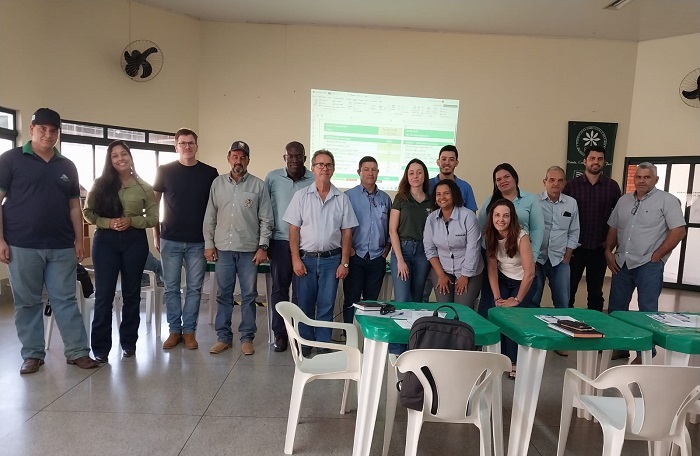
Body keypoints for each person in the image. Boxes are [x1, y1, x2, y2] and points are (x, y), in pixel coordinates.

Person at [0, 108, 99, 374]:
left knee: (65, 299)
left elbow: (74, 208)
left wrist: (79, 240)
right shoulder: (10, 160)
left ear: (58, 133)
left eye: (53, 130)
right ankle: (32, 354)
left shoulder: (66, 165)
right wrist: (0, 239)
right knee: (27, 301)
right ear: (31, 129)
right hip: (21, 244)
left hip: (61, 245)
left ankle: (77, 352)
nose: (48, 134)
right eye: (42, 128)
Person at [84, 140, 158, 363]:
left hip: (134, 242)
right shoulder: (100, 184)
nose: (120, 159)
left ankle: (128, 344)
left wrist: (131, 220)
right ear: (110, 160)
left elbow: (154, 218)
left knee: (132, 295)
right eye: (115, 156)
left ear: (130, 156)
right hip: (105, 242)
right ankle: (100, 349)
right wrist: (108, 223)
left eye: (123, 154)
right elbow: (88, 212)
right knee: (104, 296)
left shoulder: (144, 186)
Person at [605, 162, 686, 363]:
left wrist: (658, 255)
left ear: (655, 179)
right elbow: (614, 228)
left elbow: (679, 230)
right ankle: (620, 347)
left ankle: (646, 353)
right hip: (622, 262)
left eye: (647, 177)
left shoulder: (667, 200)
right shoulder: (624, 201)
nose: (642, 180)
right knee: (617, 308)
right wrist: (608, 251)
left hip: (648, 264)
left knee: (647, 311)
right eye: (639, 177)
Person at [283, 150, 358, 357]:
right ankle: (305, 344)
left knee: (326, 304)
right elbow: (293, 231)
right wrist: (295, 260)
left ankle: (324, 344)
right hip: (305, 260)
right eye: (320, 165)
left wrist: (344, 263)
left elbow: (347, 232)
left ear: (333, 169)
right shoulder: (301, 196)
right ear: (313, 168)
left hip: (331, 261)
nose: (324, 168)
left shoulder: (341, 199)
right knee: (305, 305)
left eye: (328, 165)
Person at [204, 141, 273, 356]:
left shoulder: (258, 186)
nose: (239, 161)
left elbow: (266, 219)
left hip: (249, 251)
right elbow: (210, 217)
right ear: (228, 158)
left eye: (243, 157)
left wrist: (263, 247)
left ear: (248, 161)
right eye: (235, 156)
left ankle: (247, 338)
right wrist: (209, 244)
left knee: (249, 295)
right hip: (223, 249)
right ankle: (223, 337)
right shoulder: (217, 184)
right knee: (224, 295)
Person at [153, 128, 218, 350]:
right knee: (171, 288)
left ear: (196, 146)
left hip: (198, 241)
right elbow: (155, 204)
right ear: (176, 146)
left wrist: (211, 240)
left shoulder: (210, 173)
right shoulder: (164, 171)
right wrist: (156, 234)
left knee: (194, 288)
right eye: (183, 143)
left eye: (191, 143)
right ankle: (174, 331)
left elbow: (214, 208)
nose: (187, 146)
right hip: (169, 239)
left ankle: (189, 331)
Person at [264, 141, 314, 352]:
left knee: (301, 292)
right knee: (279, 289)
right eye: (289, 156)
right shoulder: (272, 178)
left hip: (306, 244)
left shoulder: (313, 178)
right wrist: (264, 242)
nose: (294, 159)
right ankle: (280, 334)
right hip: (279, 241)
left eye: (298, 156)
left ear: (304, 157)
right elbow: (264, 211)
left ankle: (298, 334)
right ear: (284, 158)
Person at [477, 163, 543, 317]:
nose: (503, 181)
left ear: (515, 178)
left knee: (515, 315)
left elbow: (538, 229)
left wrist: (532, 257)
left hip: (523, 262)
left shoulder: (530, 200)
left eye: (507, 176)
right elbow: (482, 228)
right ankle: (490, 342)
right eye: (498, 179)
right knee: (492, 307)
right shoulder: (490, 202)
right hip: (500, 266)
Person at [562, 146, 621, 311]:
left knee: (595, 293)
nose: (596, 162)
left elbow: (617, 220)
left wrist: (610, 246)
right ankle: (566, 324)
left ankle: (596, 327)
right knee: (569, 291)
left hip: (599, 249)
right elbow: (563, 217)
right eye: (592, 158)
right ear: (585, 161)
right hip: (575, 249)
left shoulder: (612, 187)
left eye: (599, 159)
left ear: (604, 162)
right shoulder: (571, 187)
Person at [484, 199, 536, 379]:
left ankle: (514, 361)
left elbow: (530, 272)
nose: (501, 219)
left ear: (511, 217)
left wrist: (517, 299)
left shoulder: (522, 236)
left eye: (506, 216)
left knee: (514, 320)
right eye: (497, 215)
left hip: (523, 282)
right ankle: (502, 359)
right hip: (504, 279)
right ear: (492, 217)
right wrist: (497, 296)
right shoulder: (490, 235)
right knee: (498, 315)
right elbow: (492, 268)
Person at [342, 156, 392, 323]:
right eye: (366, 169)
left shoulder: (385, 199)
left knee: (372, 302)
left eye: (374, 169)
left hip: (377, 258)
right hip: (355, 256)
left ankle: (367, 338)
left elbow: (391, 229)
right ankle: (349, 336)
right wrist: (349, 251)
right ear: (359, 172)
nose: (370, 173)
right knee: (352, 299)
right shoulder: (347, 196)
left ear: (378, 172)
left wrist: (385, 252)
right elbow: (340, 227)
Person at [423, 179, 483, 308]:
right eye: (438, 194)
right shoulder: (431, 219)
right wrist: (441, 275)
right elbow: (430, 250)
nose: (442, 197)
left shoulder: (468, 216)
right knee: (445, 309)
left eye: (446, 193)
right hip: (443, 269)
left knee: (462, 310)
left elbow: (473, 248)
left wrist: (465, 276)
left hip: (469, 270)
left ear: (454, 195)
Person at [533, 166, 580, 309]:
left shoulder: (571, 203)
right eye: (551, 180)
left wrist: (567, 257)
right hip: (537, 260)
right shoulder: (534, 202)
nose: (555, 184)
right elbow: (527, 230)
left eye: (560, 180)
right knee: (532, 301)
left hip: (560, 260)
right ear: (544, 182)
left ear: (564, 183)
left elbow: (574, 231)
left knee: (562, 302)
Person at [389, 159, 433, 302]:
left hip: (423, 253)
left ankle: (415, 325)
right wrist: (400, 260)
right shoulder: (401, 198)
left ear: (424, 176)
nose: (415, 176)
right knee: (402, 299)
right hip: (403, 251)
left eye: (419, 173)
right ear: (407, 176)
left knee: (416, 299)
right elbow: (392, 230)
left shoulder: (431, 201)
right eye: (411, 173)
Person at [428, 145, 478, 212]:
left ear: (456, 163)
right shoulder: (427, 185)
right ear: (438, 162)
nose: (447, 163)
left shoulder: (465, 187)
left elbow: (472, 217)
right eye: (444, 159)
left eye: (451, 159)